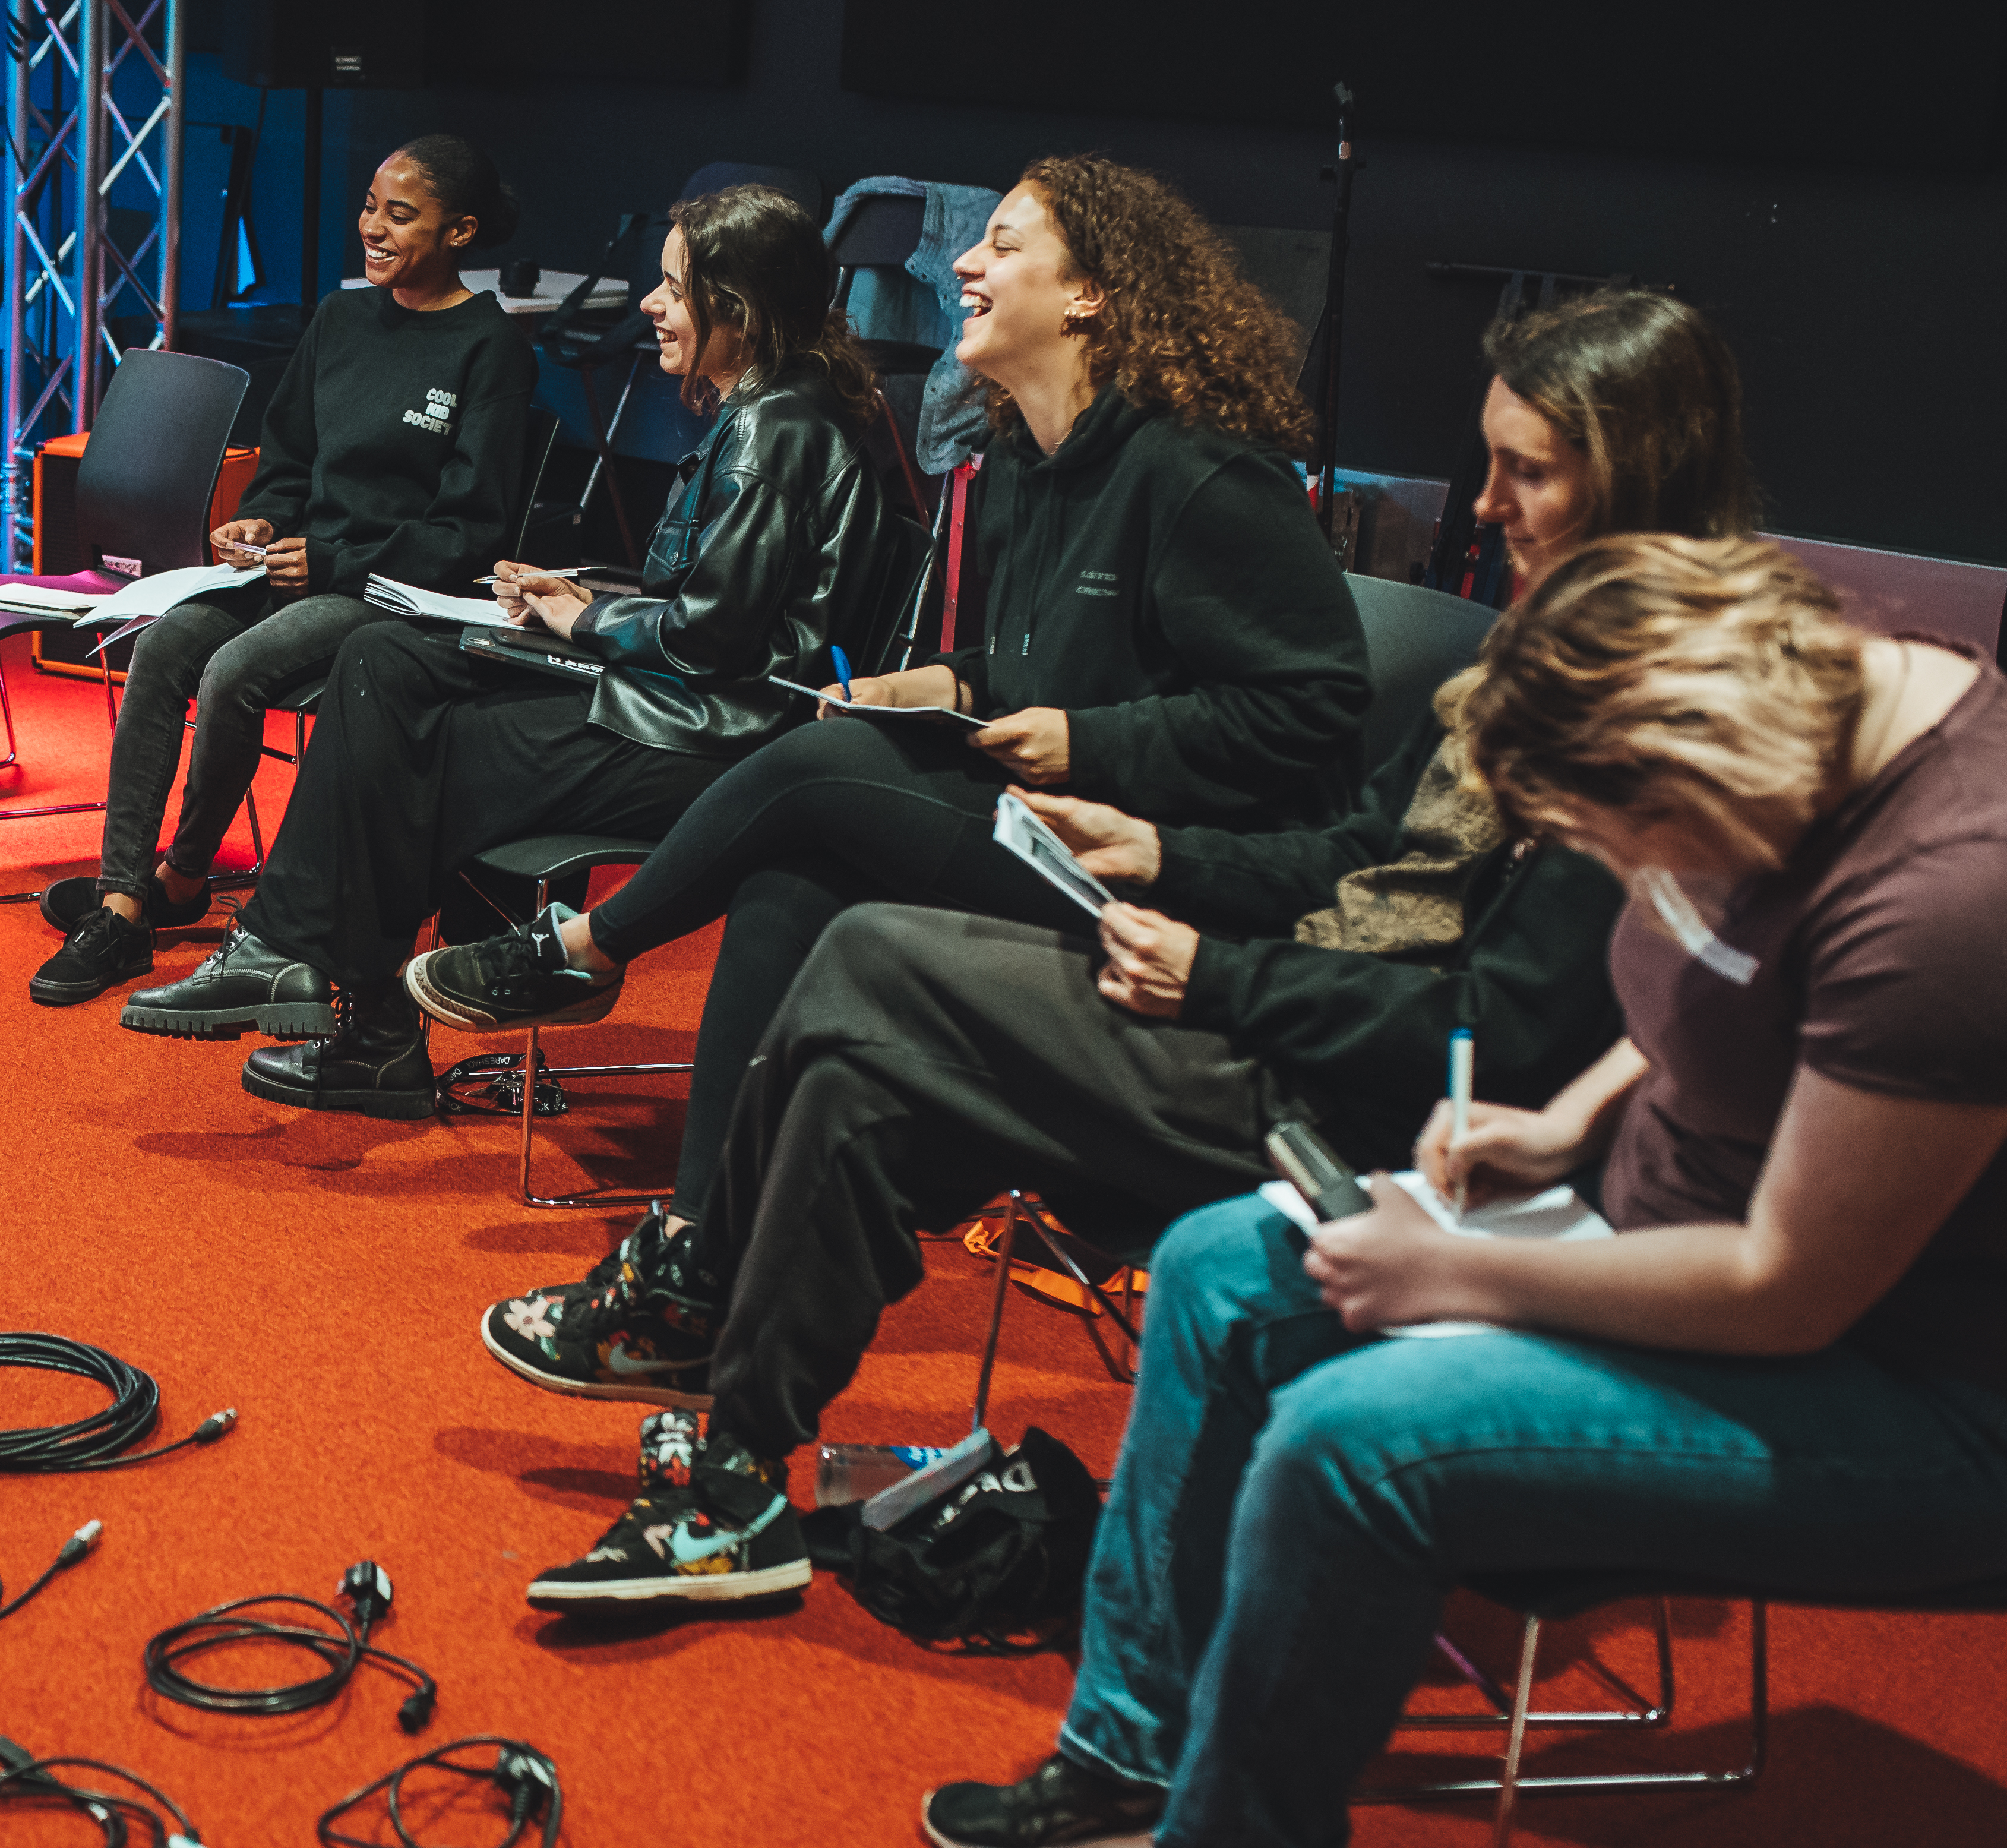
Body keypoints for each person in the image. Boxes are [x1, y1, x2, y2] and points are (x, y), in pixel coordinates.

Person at [923, 534, 2007, 1848]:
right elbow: (1733, 971)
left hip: (1906, 1389)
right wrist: (1567, 1116)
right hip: (1669, 1225)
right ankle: (1133, 1756)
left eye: (1621, 841)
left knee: (1359, 1436)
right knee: (1219, 1263)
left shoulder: (1956, 896)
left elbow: (1785, 1284)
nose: (1631, 884)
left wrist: (1461, 1268)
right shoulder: (1799, 686)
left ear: (1698, 766)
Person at [500, 289, 1758, 1603]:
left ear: (1637, 474)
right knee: (861, 1067)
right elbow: (1354, 860)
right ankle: (736, 1473)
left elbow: (1493, 1040)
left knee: (871, 953)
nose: (1487, 507)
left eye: (1528, 472)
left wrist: (1213, 973)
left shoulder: (1660, 717)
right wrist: (1158, 853)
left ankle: (701, 1317)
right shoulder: (1542, 656)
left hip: (1377, 1126)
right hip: (1299, 1020)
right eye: (1486, 464)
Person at [429, 161, 1411, 1383]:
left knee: (816, 783)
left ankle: (589, 951)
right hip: (1046, 829)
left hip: (1172, 876)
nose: (960, 263)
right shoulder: (1015, 462)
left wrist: (1090, 741)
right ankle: (692, 1265)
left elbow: (1311, 717)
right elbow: (1009, 668)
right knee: (794, 860)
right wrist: (930, 687)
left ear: (1092, 294)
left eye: (1002, 245)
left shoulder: (1199, 471)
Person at [113, 182, 902, 1114]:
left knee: (409, 740)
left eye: (673, 288)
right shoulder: (774, 407)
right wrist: (585, 598)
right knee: (385, 659)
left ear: (738, 306)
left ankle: (331, 996)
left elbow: (708, 640)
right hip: (687, 702)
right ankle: (307, 977)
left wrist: (585, 619)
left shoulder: (774, 427)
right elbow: (717, 610)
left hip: (718, 738)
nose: (650, 305)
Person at [30, 135, 538, 1007]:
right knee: (162, 648)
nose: (371, 228)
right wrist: (261, 515)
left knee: (234, 670)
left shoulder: (489, 347)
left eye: (399, 215)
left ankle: (183, 878)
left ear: (459, 232)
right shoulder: (339, 320)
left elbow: (470, 528)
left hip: (387, 594)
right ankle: (120, 904)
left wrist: (336, 557)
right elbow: (291, 456)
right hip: (294, 570)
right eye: (370, 206)